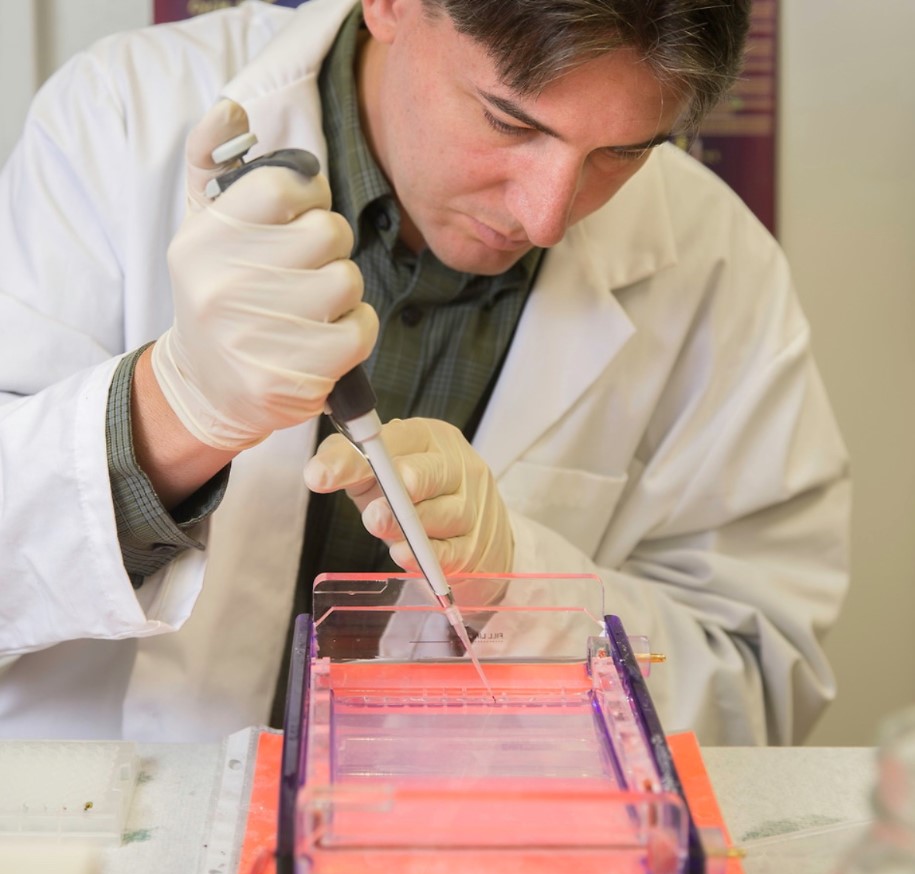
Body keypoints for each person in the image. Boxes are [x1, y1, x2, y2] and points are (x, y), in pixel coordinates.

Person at [0, 0, 849, 745]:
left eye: (622, 152)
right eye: (509, 122)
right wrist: (168, 416)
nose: (546, 215)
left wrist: (517, 592)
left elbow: (756, 687)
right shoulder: (117, 118)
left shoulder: (717, 266)